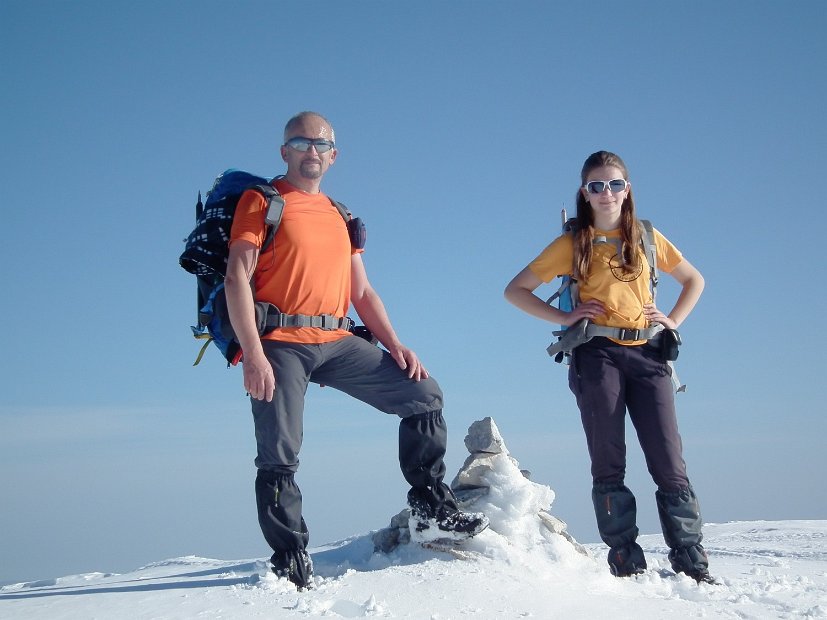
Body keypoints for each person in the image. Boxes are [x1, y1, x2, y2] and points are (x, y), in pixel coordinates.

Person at [224, 111, 488, 590]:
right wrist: (253, 353)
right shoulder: (262, 201)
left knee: (424, 394)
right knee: (279, 454)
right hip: (281, 342)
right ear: (285, 151)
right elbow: (236, 277)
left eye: (321, 144)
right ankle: (289, 558)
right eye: (301, 142)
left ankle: (430, 508)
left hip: (338, 340)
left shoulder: (341, 216)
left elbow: (362, 294)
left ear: (334, 155)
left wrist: (395, 344)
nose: (312, 151)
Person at [504, 150, 713, 583]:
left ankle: (691, 560)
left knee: (669, 460)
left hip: (648, 353)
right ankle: (625, 558)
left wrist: (671, 320)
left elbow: (695, 280)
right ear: (585, 192)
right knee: (608, 458)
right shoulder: (572, 243)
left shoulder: (648, 238)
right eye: (597, 186)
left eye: (615, 184)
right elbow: (516, 290)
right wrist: (564, 317)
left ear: (627, 189)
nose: (606, 193)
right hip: (596, 354)